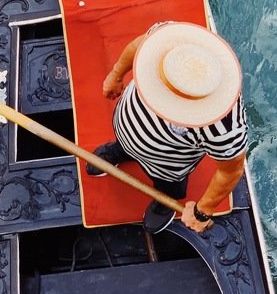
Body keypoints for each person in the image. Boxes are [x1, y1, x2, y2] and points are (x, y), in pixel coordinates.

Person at [88, 21, 248, 233]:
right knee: (124, 145)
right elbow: (139, 45)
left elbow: (231, 171)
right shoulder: (170, 41)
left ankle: (165, 201)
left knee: (168, 186)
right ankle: (122, 149)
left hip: (166, 169)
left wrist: (203, 211)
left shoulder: (226, 126)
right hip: (125, 131)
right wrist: (116, 74)